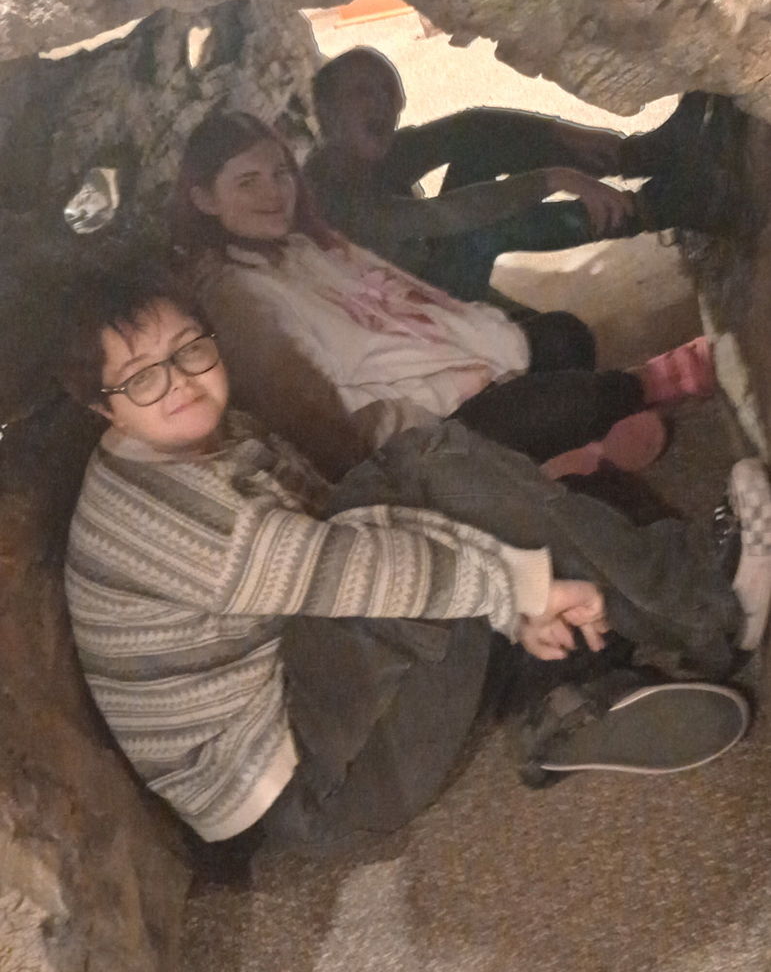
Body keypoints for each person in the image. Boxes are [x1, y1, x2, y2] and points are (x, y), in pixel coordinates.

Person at [60, 270, 769, 853]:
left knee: (483, 508)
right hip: (316, 787)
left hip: (314, 717)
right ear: (100, 404)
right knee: (445, 488)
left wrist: (509, 586)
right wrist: (508, 587)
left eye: (190, 350)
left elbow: (360, 522)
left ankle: (566, 701)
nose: (179, 380)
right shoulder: (163, 508)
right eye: (141, 377)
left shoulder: (217, 437)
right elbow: (344, 567)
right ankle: (710, 602)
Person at [171, 110, 710, 483]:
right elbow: (334, 426)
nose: (273, 193)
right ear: (203, 197)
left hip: (446, 369)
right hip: (417, 433)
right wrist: (465, 379)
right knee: (593, 395)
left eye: (279, 174)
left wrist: (485, 341)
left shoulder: (306, 236)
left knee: (564, 337)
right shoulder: (242, 296)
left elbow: (467, 131)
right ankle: (601, 431)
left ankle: (571, 454)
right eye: (247, 183)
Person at [304, 48, 714, 307]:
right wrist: (557, 178)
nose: (382, 102)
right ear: (328, 115)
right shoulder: (330, 195)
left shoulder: (368, 150)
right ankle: (662, 206)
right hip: (424, 314)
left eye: (386, 90)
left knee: (479, 142)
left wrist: (560, 132)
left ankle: (645, 154)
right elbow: (444, 216)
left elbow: (469, 128)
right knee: (483, 228)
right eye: (362, 92)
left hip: (428, 271)